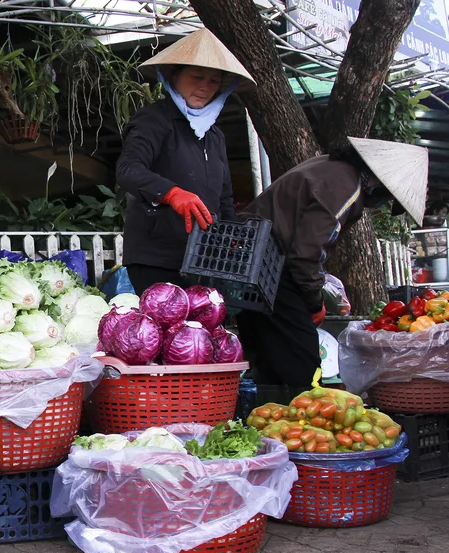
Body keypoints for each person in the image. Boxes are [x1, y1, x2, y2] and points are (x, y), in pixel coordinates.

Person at [237, 137, 428, 387]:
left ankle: (266, 413)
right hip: (270, 267)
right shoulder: (346, 186)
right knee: (301, 364)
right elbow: (306, 253)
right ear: (383, 182)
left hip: (253, 260)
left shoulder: (330, 166)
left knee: (268, 355)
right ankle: (292, 416)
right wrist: (314, 302)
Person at [115, 28, 256, 294]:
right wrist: (171, 193)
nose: (205, 86)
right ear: (174, 76)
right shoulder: (154, 119)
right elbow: (127, 169)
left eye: (214, 80)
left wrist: (235, 236)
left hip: (204, 260)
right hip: (156, 258)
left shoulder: (214, 136)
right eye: (197, 76)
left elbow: (224, 200)